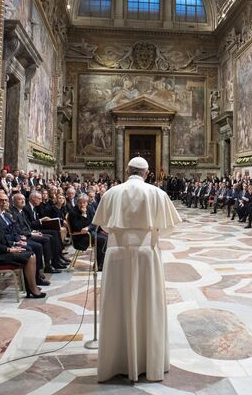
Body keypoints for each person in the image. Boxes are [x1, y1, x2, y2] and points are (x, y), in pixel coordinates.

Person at [93, 157, 181, 383]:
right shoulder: (157, 193)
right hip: (146, 253)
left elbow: (103, 224)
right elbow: (169, 226)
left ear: (127, 170)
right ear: (147, 173)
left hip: (117, 253)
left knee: (116, 303)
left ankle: (115, 362)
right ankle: (149, 362)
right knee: (148, 303)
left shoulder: (112, 193)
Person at [0, 200, 45, 298]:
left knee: (30, 253)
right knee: (30, 256)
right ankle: (32, 288)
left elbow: (3, 240)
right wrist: (10, 250)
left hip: (1, 252)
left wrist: (15, 244)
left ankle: (30, 287)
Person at [68, 194, 107, 270]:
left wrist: (88, 227)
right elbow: (78, 227)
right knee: (102, 240)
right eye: (80, 202)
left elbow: (94, 223)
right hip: (80, 238)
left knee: (106, 237)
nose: (82, 205)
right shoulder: (73, 212)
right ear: (77, 202)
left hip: (88, 233)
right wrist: (83, 215)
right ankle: (99, 265)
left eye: (84, 202)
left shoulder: (89, 208)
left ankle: (100, 263)